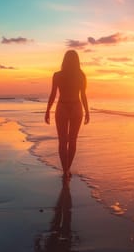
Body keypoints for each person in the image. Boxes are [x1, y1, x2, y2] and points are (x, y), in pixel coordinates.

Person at [45, 50, 90, 179]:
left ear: (64, 60)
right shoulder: (81, 76)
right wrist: (87, 111)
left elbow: (53, 94)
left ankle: (65, 169)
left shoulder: (57, 75)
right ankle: (68, 168)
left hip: (63, 107)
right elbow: (83, 96)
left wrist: (48, 110)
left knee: (62, 141)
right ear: (77, 61)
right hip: (76, 107)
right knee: (72, 140)